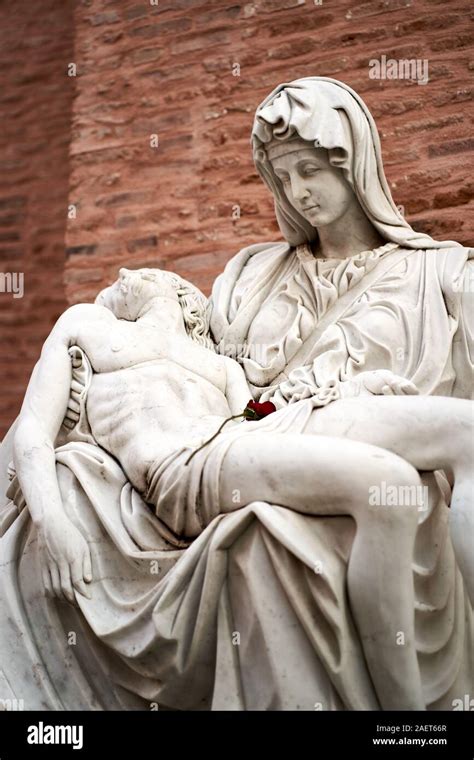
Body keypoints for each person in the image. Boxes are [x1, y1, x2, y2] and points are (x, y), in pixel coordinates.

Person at [12, 266, 472, 710]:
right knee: (384, 484)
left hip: (245, 436)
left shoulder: (218, 364)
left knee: (463, 431)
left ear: (179, 292)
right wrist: (53, 522)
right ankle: (407, 717)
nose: (122, 276)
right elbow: (33, 430)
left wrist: (357, 388)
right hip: (190, 465)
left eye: (140, 273)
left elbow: (261, 414)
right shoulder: (85, 325)